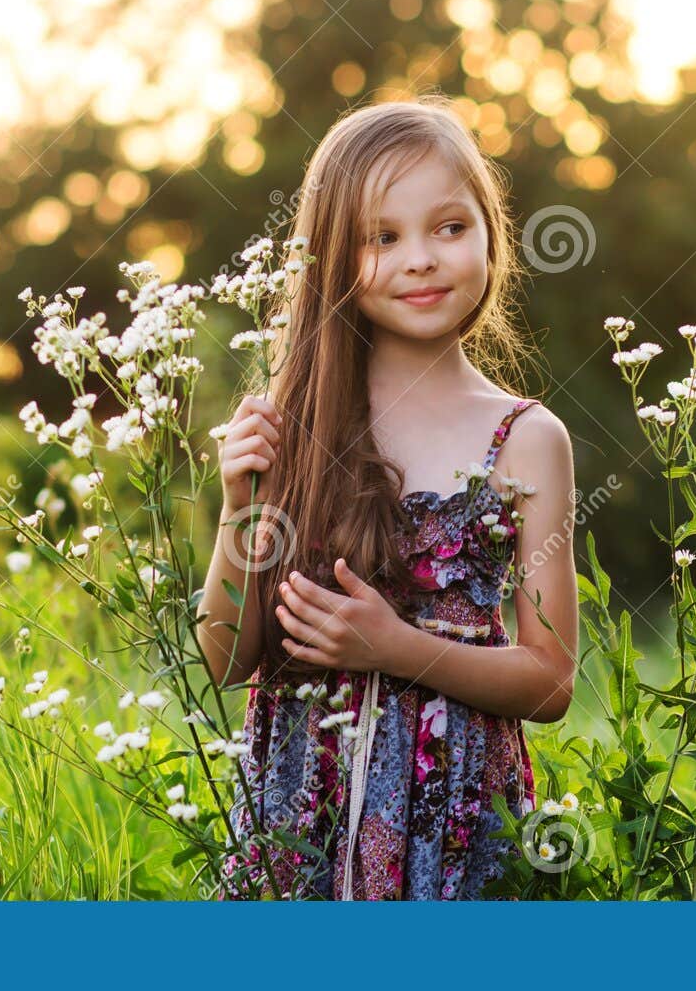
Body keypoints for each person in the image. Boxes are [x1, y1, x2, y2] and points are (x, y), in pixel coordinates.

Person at [197, 94, 579, 900]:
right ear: (333, 258)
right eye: (383, 237)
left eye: (449, 226)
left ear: (490, 235)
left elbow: (550, 681)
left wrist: (396, 650)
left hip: (455, 823)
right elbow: (227, 660)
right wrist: (239, 506)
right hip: (301, 815)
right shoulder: (295, 423)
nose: (422, 258)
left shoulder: (526, 437)